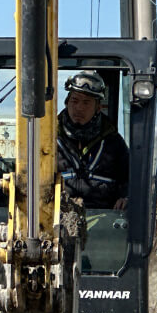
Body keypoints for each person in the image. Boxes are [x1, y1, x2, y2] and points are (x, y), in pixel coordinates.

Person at [57, 70, 129, 210]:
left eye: (86, 103)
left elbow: (131, 180)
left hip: (102, 222)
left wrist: (126, 197)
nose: (79, 108)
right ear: (66, 103)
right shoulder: (48, 141)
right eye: (75, 100)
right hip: (56, 221)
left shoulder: (113, 143)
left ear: (98, 108)